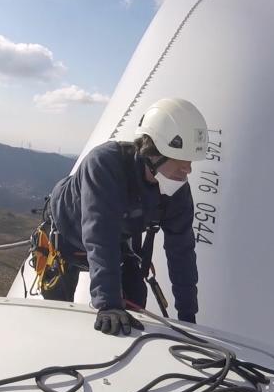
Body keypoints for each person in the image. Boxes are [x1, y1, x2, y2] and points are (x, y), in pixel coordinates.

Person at [40, 98, 208, 335]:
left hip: (117, 239)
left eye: (190, 161)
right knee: (55, 314)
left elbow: (182, 251)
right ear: (155, 153)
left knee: (136, 298)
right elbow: (99, 234)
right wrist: (107, 304)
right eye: (181, 160)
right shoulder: (106, 164)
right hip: (67, 236)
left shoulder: (176, 189)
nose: (188, 169)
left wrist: (188, 316)